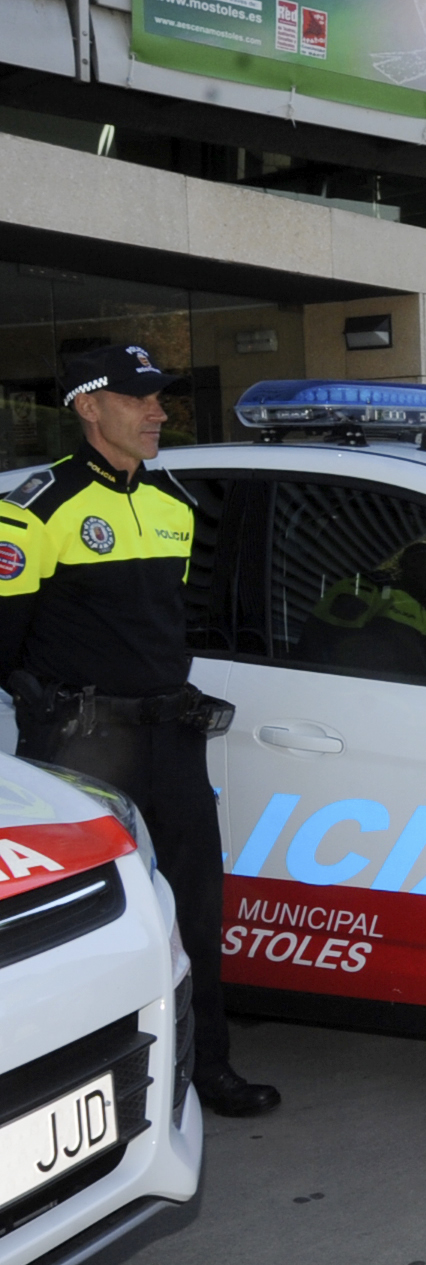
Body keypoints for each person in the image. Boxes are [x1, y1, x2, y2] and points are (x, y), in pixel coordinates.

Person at [0, 345, 277, 1117]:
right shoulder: (32, 509)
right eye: (138, 399)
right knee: (87, 927)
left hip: (171, 737)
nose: (158, 412)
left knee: (194, 911)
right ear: (89, 407)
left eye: (161, 398)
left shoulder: (174, 504)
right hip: (83, 748)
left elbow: (168, 631)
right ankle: (67, 1090)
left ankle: (207, 1070)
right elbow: (4, 645)